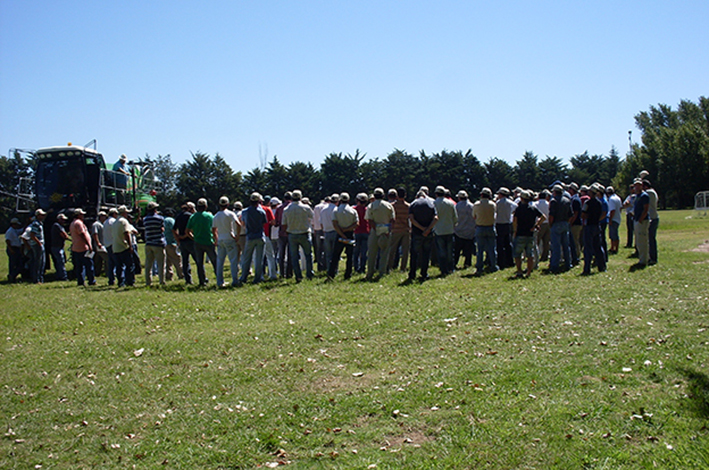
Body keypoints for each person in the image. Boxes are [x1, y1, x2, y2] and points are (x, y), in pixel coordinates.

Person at [282, 189, 315, 282]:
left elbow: (284, 224)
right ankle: (309, 274)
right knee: (308, 255)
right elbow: (312, 217)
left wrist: (286, 232)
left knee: (294, 256)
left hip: (292, 234)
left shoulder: (287, 209)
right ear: (300, 197)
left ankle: (298, 276)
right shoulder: (306, 207)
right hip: (304, 233)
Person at [512, 190, 545, 278]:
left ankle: (519, 271)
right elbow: (543, 217)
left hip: (520, 233)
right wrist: (536, 225)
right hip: (530, 233)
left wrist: (514, 231)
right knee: (530, 254)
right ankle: (529, 272)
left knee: (517, 254)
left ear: (521, 198)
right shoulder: (533, 208)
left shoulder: (518, 209)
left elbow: (515, 221)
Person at [365, 188, 396, 280]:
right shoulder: (389, 205)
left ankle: (370, 272)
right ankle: (382, 272)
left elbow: (369, 220)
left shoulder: (371, 206)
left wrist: (376, 229)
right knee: (384, 252)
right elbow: (393, 220)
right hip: (386, 231)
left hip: (375, 230)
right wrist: (388, 230)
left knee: (372, 253)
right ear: (383, 195)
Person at [187, 198, 218, 287]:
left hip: (197, 242)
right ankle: (219, 279)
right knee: (214, 262)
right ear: (206, 206)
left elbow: (187, 231)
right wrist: (216, 239)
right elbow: (214, 229)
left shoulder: (193, 217)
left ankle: (202, 281)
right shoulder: (209, 216)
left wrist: (193, 237)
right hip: (208, 241)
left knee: (199, 263)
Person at [408, 190, 438, 281]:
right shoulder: (431, 203)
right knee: (426, 253)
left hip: (417, 232)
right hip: (428, 233)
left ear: (417, 196)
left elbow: (411, 219)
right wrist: (428, 229)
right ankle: (424, 273)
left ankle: (412, 274)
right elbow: (436, 218)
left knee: (414, 254)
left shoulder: (413, 204)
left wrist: (421, 228)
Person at [239, 193, 268, 284]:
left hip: (250, 237)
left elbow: (243, 223)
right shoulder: (262, 211)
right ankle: (258, 277)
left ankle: (243, 277)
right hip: (259, 236)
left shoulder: (245, 212)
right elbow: (264, 223)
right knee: (259, 259)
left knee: (246, 258)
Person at [328, 192, 358, 280]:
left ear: (340, 200)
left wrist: (341, 233)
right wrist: (347, 229)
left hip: (339, 234)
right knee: (349, 256)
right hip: (350, 234)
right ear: (348, 200)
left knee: (335, 256)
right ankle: (348, 274)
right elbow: (356, 224)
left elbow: (335, 224)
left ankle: (331, 274)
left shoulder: (336, 210)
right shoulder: (353, 210)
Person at [213, 196, 241, 287]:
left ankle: (219, 282)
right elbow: (238, 224)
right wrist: (237, 236)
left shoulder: (216, 215)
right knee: (233, 261)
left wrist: (216, 239)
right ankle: (235, 280)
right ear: (228, 204)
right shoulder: (230, 214)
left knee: (220, 262)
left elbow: (214, 229)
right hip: (229, 238)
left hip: (221, 239)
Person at [580, 185, 606, 275]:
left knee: (588, 248)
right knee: (598, 247)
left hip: (589, 226)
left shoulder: (587, 203)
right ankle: (602, 266)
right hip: (596, 225)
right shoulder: (599, 203)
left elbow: (583, 214)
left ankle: (587, 269)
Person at [433, 186, 458, 276]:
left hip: (438, 230)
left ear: (436, 194)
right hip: (449, 230)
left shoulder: (434, 203)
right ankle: (450, 268)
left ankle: (443, 269)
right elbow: (455, 217)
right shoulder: (450, 203)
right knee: (450, 251)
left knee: (441, 251)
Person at [548, 184, 572, 273]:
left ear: (554, 192)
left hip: (556, 224)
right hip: (565, 223)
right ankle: (568, 263)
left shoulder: (554, 201)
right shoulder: (567, 200)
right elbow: (571, 214)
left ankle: (555, 265)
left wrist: (551, 224)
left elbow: (551, 215)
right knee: (566, 245)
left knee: (556, 246)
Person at [473, 188, 497, 276]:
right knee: (492, 249)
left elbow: (474, 216)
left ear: (481, 195)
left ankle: (479, 267)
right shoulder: (493, 204)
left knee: (480, 249)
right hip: (490, 227)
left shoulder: (476, 204)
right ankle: (493, 266)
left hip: (480, 227)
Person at [387, 188, 411, 273]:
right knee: (405, 251)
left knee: (392, 250)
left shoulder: (392, 206)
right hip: (405, 230)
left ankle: (389, 267)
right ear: (405, 195)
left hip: (395, 230)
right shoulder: (408, 206)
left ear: (397, 195)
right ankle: (403, 268)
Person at [69, 208, 95, 286]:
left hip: (75, 247)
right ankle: (91, 280)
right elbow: (82, 234)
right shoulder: (79, 223)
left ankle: (80, 281)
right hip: (83, 247)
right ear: (79, 215)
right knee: (89, 265)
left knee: (79, 266)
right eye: (82, 214)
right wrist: (89, 245)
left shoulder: (72, 223)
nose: (83, 216)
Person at [143, 201, 167, 286]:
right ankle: (162, 281)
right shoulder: (160, 218)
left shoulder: (145, 219)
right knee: (161, 264)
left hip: (149, 242)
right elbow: (162, 229)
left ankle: (148, 281)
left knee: (148, 264)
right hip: (158, 242)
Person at [174, 202, 197, 284]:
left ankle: (188, 280)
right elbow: (192, 228)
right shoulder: (190, 216)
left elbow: (174, 229)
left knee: (185, 262)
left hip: (182, 243)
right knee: (198, 260)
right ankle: (202, 277)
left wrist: (178, 239)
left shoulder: (178, 216)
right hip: (190, 240)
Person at [112, 205, 135, 287]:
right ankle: (130, 281)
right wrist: (130, 245)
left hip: (115, 246)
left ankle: (120, 282)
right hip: (123, 246)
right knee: (129, 265)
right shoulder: (124, 221)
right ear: (124, 213)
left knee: (119, 267)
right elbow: (126, 233)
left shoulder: (115, 222)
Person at [494, 187, 517, 269]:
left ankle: (501, 262)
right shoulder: (511, 203)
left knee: (500, 244)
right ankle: (510, 261)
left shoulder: (498, 203)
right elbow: (515, 209)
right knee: (508, 243)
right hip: (508, 224)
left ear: (500, 194)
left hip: (499, 224)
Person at [453, 190, 475, 269]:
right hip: (469, 230)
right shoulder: (471, 206)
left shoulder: (456, 206)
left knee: (457, 250)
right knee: (468, 250)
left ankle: (454, 263)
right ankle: (467, 263)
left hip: (458, 230)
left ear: (459, 198)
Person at [274, 192, 293, 278]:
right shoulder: (292, 207)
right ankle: (289, 272)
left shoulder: (279, 208)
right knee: (291, 253)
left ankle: (282, 272)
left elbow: (276, 222)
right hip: (291, 232)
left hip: (282, 233)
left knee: (281, 254)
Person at [633, 179, 651, 267]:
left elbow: (646, 209)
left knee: (643, 240)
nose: (637, 187)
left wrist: (640, 219)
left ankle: (644, 260)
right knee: (638, 241)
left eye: (638, 185)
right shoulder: (637, 196)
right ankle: (641, 258)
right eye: (635, 185)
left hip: (642, 221)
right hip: (637, 220)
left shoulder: (644, 196)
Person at [162, 208, 183, 281]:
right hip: (171, 242)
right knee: (177, 260)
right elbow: (174, 230)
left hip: (163, 243)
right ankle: (181, 274)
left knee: (167, 261)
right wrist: (178, 240)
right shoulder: (171, 220)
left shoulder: (161, 220)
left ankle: (168, 276)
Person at [320, 194, 338, 274]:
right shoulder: (336, 209)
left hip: (326, 232)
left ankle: (328, 269)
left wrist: (324, 229)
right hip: (335, 231)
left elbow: (321, 222)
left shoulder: (323, 210)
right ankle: (335, 270)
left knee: (328, 253)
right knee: (335, 253)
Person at [28, 209, 47, 284]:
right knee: (38, 263)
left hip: (39, 244)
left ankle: (40, 278)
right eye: (41, 215)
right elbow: (32, 235)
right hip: (37, 245)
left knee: (42, 262)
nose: (43, 216)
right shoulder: (36, 224)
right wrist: (39, 243)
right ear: (38, 215)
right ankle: (36, 279)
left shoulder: (39, 223)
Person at [353, 193, 370, 274]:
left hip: (356, 231)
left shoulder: (353, 209)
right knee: (364, 251)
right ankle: (362, 267)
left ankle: (356, 267)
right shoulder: (367, 210)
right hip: (366, 232)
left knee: (356, 251)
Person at [643, 179, 659, 265]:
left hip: (652, 218)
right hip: (653, 217)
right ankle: (650, 256)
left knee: (651, 239)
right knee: (649, 239)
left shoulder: (650, 192)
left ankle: (653, 258)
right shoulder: (652, 192)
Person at [50, 213, 70, 281]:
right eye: (62, 219)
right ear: (59, 219)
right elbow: (64, 235)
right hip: (57, 247)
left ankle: (59, 275)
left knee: (60, 262)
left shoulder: (59, 226)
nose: (64, 221)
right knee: (60, 262)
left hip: (59, 247)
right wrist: (72, 239)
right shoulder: (57, 226)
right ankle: (63, 277)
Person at [5, 217, 25, 283]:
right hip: (13, 248)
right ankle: (12, 276)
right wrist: (11, 249)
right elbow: (7, 241)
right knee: (13, 264)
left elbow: (21, 230)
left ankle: (13, 275)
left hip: (16, 248)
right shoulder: (10, 231)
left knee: (18, 263)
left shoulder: (15, 230)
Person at [103, 208, 119, 285]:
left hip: (107, 244)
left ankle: (111, 279)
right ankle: (118, 278)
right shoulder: (113, 222)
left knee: (111, 263)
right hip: (113, 243)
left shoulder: (105, 222)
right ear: (114, 214)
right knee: (117, 262)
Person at [535, 190, 551, 263]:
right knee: (546, 241)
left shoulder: (536, 204)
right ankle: (545, 256)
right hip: (547, 223)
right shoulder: (548, 204)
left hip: (539, 223)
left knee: (537, 241)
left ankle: (536, 256)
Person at [91, 212, 109, 276]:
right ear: (100, 216)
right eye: (104, 216)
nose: (105, 217)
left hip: (103, 245)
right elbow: (95, 234)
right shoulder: (96, 224)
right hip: (99, 246)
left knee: (98, 261)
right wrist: (98, 243)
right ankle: (108, 273)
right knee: (107, 259)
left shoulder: (102, 224)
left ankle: (97, 273)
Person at [606, 186, 623, 254]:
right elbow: (620, 208)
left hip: (613, 219)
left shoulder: (611, 199)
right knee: (613, 234)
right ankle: (613, 247)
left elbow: (612, 210)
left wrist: (610, 219)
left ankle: (615, 248)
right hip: (617, 218)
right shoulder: (618, 198)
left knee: (613, 234)